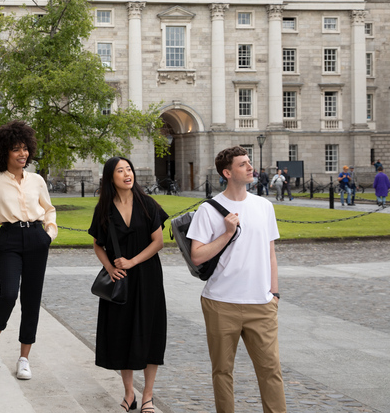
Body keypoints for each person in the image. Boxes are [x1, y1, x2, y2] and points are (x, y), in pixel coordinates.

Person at [187, 146, 284, 413]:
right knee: (222, 372)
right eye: (243, 164)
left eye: (249, 162)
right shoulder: (208, 210)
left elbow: (271, 253)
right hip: (221, 303)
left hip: (261, 305)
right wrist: (227, 233)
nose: (250, 167)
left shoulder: (264, 206)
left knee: (271, 371)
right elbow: (197, 256)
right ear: (227, 173)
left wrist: (274, 294)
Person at [0, 120, 57, 381]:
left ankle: (24, 358)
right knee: (8, 294)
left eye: (25, 149)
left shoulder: (37, 180)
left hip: (36, 238)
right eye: (16, 149)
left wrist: (49, 234)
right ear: (3, 152)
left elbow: (49, 209)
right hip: (7, 240)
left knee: (32, 299)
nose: (23, 154)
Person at [88, 157, 169, 413]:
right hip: (119, 280)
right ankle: (128, 394)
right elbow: (97, 245)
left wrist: (132, 261)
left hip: (147, 277)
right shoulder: (104, 209)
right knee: (122, 333)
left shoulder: (148, 204)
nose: (127, 174)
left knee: (150, 332)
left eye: (129, 169)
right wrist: (111, 268)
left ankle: (148, 396)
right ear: (111, 177)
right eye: (120, 171)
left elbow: (158, 242)